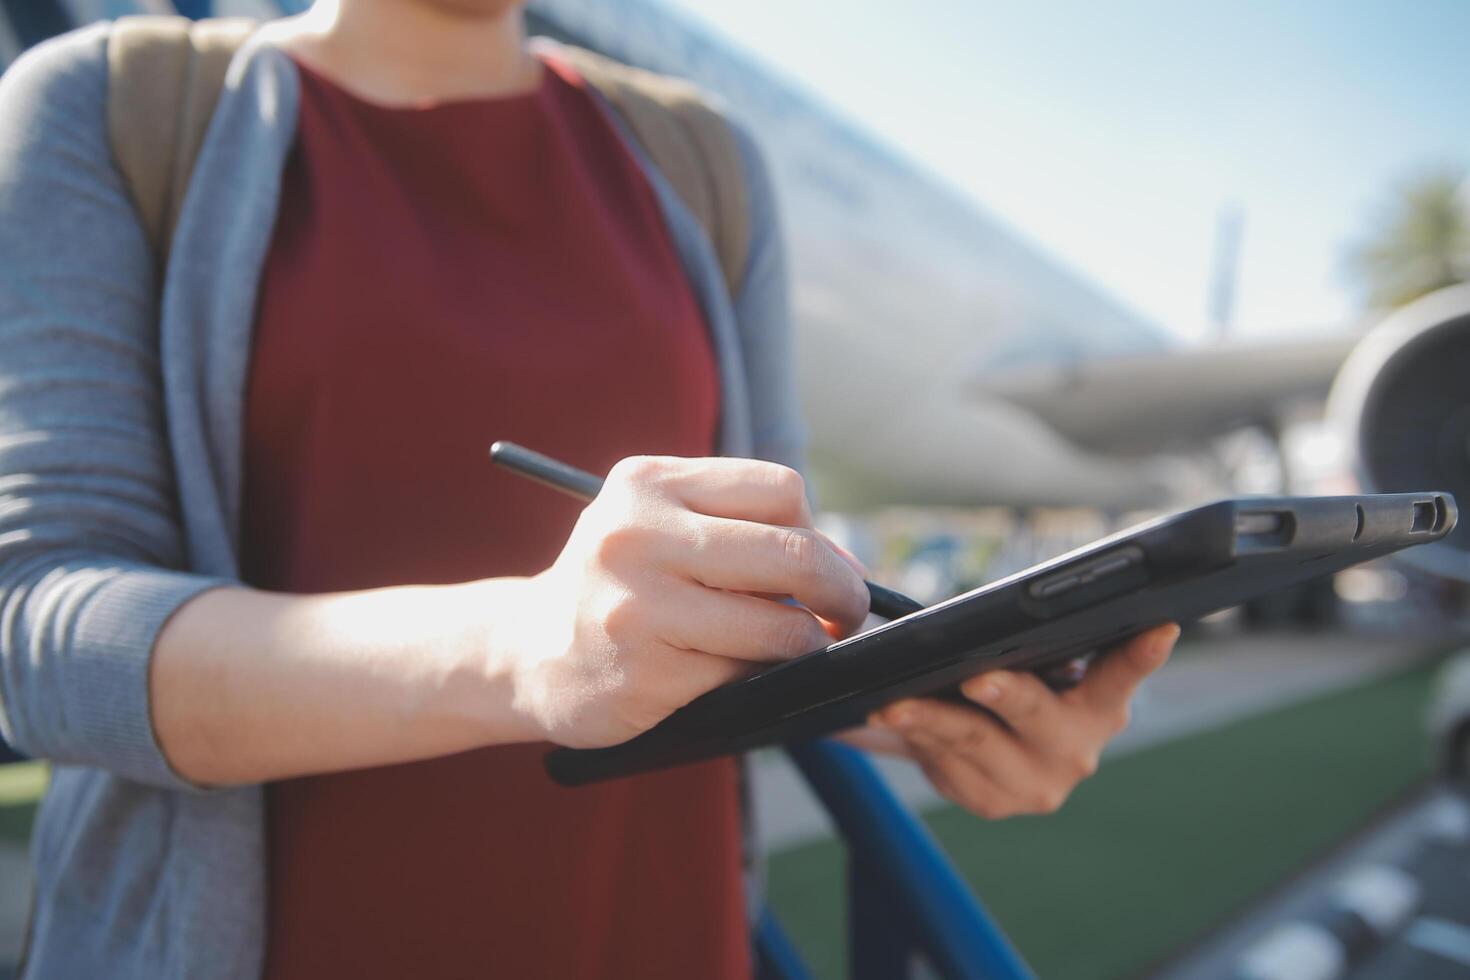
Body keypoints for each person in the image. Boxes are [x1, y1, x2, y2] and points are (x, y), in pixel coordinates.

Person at [0, 1, 1179, 977]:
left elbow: (769, 607)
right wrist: (521, 648)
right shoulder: (118, 108)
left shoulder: (697, 161)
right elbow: (35, 625)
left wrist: (952, 700)